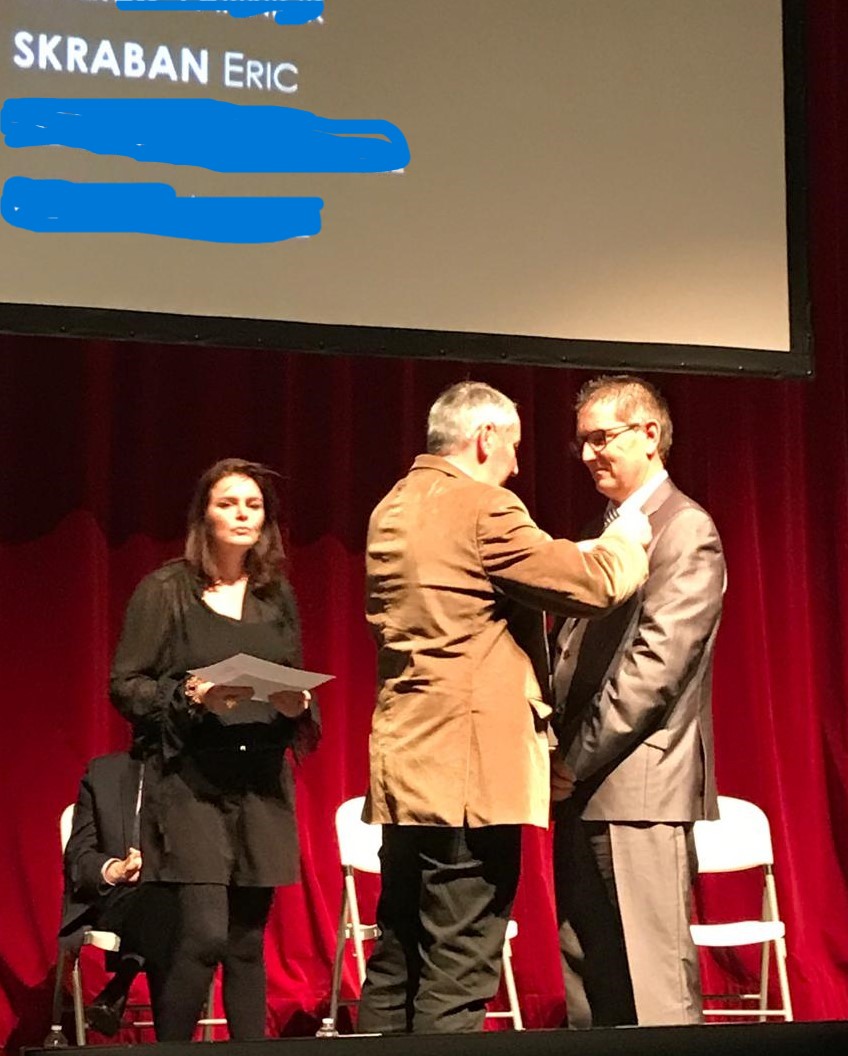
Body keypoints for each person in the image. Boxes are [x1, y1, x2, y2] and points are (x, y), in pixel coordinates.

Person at [357, 380, 651, 1035]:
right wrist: (627, 533)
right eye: (513, 446)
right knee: (459, 968)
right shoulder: (484, 508)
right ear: (485, 437)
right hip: (469, 773)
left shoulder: (392, 507)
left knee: (398, 956)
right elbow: (590, 584)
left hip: (407, 766)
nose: (516, 464)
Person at [110, 458, 319, 1042]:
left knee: (248, 945)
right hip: (190, 785)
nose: (242, 514)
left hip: (259, 783)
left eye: (253, 505)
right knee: (202, 939)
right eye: (229, 503)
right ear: (205, 513)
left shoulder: (277, 597)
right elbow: (127, 685)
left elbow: (295, 677)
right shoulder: (166, 590)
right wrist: (191, 693)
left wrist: (297, 704)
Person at [551, 375, 725, 1028]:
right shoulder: (602, 532)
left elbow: (652, 671)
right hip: (580, 791)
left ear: (649, 434)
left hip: (639, 794)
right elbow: (568, 656)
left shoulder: (685, 531)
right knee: (592, 993)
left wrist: (574, 760)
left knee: (654, 993)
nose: (591, 453)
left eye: (602, 438)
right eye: (582, 444)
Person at [60, 751, 173, 1036]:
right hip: (120, 899)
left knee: (164, 905)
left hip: (183, 898)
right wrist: (117, 870)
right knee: (158, 910)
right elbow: (79, 857)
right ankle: (172, 1041)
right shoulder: (103, 774)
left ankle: (119, 987)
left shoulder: (201, 772)